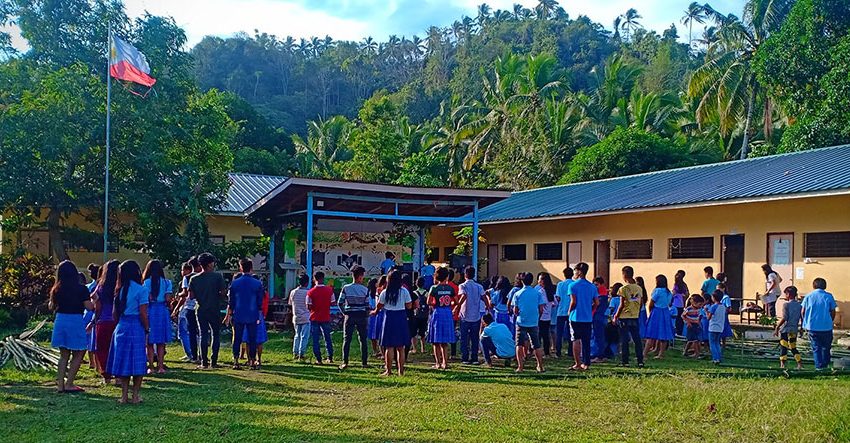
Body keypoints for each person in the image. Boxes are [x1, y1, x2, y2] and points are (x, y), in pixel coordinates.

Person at [106, 260, 149, 404]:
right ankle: (135, 395)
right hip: (136, 326)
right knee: (138, 361)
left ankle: (124, 396)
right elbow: (143, 313)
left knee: (124, 361)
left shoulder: (119, 290)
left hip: (121, 326)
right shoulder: (141, 290)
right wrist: (147, 328)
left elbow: (114, 313)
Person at [49, 260, 95, 393]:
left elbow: (51, 306)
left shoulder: (56, 289)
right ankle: (69, 383)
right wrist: (95, 300)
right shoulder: (81, 288)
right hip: (75, 320)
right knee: (79, 352)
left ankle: (60, 385)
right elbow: (89, 307)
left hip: (60, 320)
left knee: (63, 355)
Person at [189, 253, 227, 369]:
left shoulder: (194, 278)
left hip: (200, 309)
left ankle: (203, 362)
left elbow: (191, 296)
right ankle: (214, 361)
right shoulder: (217, 277)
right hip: (214, 308)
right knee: (215, 334)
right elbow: (223, 293)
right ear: (210, 264)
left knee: (203, 334)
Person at [225, 259, 264, 370]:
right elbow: (259, 301)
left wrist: (231, 312)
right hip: (252, 313)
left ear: (241, 268)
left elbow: (231, 300)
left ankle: (236, 361)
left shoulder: (235, 283)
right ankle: (252, 361)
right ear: (251, 267)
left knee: (237, 338)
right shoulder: (257, 283)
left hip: (238, 313)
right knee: (252, 338)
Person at [372, 270, 413, 376]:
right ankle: (401, 371)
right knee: (400, 347)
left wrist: (374, 312)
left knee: (389, 346)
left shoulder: (385, 292)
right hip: (401, 318)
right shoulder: (404, 291)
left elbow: (379, 307)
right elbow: (409, 306)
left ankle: (388, 371)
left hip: (389, 318)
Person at [142, 259, 173, 374]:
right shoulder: (167, 282)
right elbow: (168, 298)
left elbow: (147, 298)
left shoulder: (146, 283)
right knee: (161, 342)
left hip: (150, 310)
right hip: (162, 311)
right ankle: (160, 366)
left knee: (149, 341)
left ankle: (150, 366)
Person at [91, 260, 119, 381]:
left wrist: (94, 320)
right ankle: (119, 376)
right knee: (118, 350)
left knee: (102, 349)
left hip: (103, 321)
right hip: (118, 321)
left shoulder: (101, 287)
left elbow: (97, 306)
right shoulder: (120, 287)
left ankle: (106, 376)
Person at [338, 265, 370, 369]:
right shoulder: (365, 290)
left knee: (347, 339)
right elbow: (367, 305)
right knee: (363, 340)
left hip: (349, 316)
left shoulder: (346, 288)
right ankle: (364, 362)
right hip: (361, 316)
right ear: (360, 276)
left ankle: (345, 362)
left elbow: (340, 302)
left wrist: (345, 312)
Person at [513, 272, 545, 373]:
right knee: (536, 345)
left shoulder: (517, 294)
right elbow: (541, 309)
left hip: (521, 321)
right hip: (533, 322)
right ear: (532, 281)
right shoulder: (537, 293)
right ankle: (540, 366)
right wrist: (537, 317)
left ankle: (520, 367)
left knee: (519, 344)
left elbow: (515, 310)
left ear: (522, 281)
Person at [801, 278, 837, 370]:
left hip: (812, 326)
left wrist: (805, 321)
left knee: (816, 347)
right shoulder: (829, 296)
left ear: (814, 286)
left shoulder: (808, 296)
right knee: (826, 347)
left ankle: (819, 366)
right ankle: (825, 363)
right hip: (826, 326)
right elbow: (833, 311)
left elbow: (803, 311)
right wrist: (830, 320)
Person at [455, 266, 487, 365]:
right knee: (474, 338)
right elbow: (484, 297)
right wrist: (487, 306)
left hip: (465, 315)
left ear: (465, 275)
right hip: (476, 315)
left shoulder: (462, 286)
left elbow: (464, 295)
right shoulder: (479, 286)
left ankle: (465, 357)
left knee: (464, 338)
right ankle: (474, 358)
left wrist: (457, 306)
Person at [568, 263, 597, 371]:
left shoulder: (572, 285)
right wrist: (591, 310)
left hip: (575, 316)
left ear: (579, 272)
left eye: (575, 271)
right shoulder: (592, 286)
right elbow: (596, 302)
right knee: (586, 341)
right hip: (587, 317)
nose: (574, 273)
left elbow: (573, 301)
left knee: (575, 339)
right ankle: (586, 363)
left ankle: (577, 363)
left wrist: (569, 311)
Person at [614, 266, 644, 367]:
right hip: (635, 316)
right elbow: (641, 303)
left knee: (624, 339)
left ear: (624, 275)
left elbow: (621, 304)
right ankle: (640, 360)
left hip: (624, 316)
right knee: (637, 339)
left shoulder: (623, 289)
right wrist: (637, 312)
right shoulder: (639, 288)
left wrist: (616, 316)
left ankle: (625, 361)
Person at [427, 267, 457, 370]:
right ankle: (445, 362)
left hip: (438, 312)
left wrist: (435, 303)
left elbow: (428, 302)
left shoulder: (434, 288)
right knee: (444, 341)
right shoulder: (450, 288)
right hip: (447, 312)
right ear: (447, 276)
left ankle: (438, 363)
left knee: (436, 340)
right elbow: (456, 301)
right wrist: (450, 303)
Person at [307, 271, 335, 365]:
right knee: (327, 338)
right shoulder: (329, 290)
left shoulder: (310, 292)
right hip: (326, 316)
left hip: (314, 317)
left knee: (315, 339)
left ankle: (318, 359)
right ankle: (330, 357)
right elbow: (333, 302)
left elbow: (308, 306)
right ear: (323, 278)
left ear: (314, 279)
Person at [644, 274, 674, 360]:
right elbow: (669, 303)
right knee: (663, 335)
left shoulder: (657, 291)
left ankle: (645, 354)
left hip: (656, 312)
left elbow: (651, 303)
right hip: (665, 312)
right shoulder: (669, 292)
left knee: (651, 334)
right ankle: (661, 354)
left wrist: (650, 312)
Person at [173, 262, 198, 363]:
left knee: (184, 332)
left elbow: (184, 295)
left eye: (183, 270)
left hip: (187, 307)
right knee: (197, 332)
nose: (182, 272)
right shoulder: (200, 277)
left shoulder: (187, 278)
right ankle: (197, 353)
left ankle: (190, 353)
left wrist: (178, 295)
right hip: (197, 306)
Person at [774, 286, 802, 370]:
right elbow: (802, 317)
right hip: (794, 329)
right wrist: (801, 328)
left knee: (783, 346)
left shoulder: (786, 305)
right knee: (793, 346)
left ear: (788, 294)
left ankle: (782, 364)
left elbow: (785, 318)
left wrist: (777, 327)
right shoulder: (799, 305)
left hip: (786, 329)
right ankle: (799, 363)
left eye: (786, 294)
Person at [289, 274, 311, 361]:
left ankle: (295, 352)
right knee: (304, 336)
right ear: (307, 282)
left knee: (297, 335)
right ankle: (301, 354)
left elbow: (290, 304)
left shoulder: (293, 292)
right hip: (306, 317)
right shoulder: (308, 293)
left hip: (296, 317)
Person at [554, 267, 574, 358]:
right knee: (571, 332)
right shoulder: (574, 284)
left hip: (561, 311)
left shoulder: (560, 284)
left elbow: (557, 297)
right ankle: (570, 351)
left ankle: (558, 351)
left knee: (559, 332)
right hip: (571, 311)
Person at [590, 276, 610, 362]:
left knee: (598, 337)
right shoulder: (600, 294)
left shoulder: (601, 295)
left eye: (596, 285)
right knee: (598, 336)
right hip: (599, 317)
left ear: (601, 284)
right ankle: (600, 354)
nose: (595, 286)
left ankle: (599, 355)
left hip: (598, 317)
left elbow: (596, 305)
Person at [536, 272, 556, 357]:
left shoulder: (539, 291)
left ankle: (538, 352)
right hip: (547, 316)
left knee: (538, 335)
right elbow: (555, 303)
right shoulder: (550, 291)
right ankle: (546, 352)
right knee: (545, 335)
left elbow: (538, 304)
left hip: (540, 316)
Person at [84, 264, 99, 369]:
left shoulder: (88, 287)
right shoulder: (101, 286)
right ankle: (95, 362)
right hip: (95, 313)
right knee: (94, 338)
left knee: (89, 338)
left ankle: (91, 362)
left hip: (87, 313)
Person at [706, 290, 727, 364]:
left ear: (714, 297)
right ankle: (719, 357)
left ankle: (715, 358)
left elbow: (708, 317)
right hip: (720, 327)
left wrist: (706, 311)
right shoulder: (723, 306)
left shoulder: (713, 306)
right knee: (717, 343)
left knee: (712, 343)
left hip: (713, 327)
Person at [411, 277, 430, 354]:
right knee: (423, 332)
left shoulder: (414, 293)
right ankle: (423, 348)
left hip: (416, 314)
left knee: (414, 333)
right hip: (424, 315)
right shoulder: (427, 293)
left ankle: (414, 348)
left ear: (416, 284)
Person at [682, 294, 704, 358]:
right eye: (699, 304)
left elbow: (700, 316)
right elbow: (683, 316)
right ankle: (696, 354)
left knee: (691, 340)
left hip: (696, 325)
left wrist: (699, 322)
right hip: (691, 325)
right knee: (694, 340)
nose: (700, 306)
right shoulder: (688, 309)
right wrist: (688, 321)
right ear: (694, 303)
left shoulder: (699, 309)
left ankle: (685, 351)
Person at [366, 278, 382, 358]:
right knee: (375, 333)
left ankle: (377, 350)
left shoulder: (372, 293)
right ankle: (377, 350)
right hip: (374, 313)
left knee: (375, 333)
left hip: (373, 314)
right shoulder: (373, 293)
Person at [672, 270, 689, 337]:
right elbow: (687, 294)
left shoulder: (676, 285)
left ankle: (676, 332)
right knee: (680, 318)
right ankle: (680, 332)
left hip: (675, 304)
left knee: (675, 318)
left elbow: (673, 293)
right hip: (681, 304)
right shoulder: (684, 285)